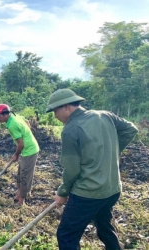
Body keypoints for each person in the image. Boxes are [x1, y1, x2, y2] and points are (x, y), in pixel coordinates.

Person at [46, 89, 138, 250]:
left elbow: (72, 169)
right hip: (112, 189)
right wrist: (113, 151)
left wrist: (62, 193)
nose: (55, 115)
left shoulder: (71, 129)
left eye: (55, 110)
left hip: (88, 193)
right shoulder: (104, 115)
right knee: (104, 226)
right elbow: (131, 129)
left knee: (67, 235)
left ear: (66, 106)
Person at [0, 104, 39, 206]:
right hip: (25, 150)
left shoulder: (12, 125)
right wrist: (28, 133)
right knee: (20, 173)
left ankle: (22, 201)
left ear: (5, 114)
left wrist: (16, 154)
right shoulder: (14, 116)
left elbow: (20, 144)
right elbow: (26, 120)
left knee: (25, 176)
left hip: (30, 151)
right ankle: (19, 194)